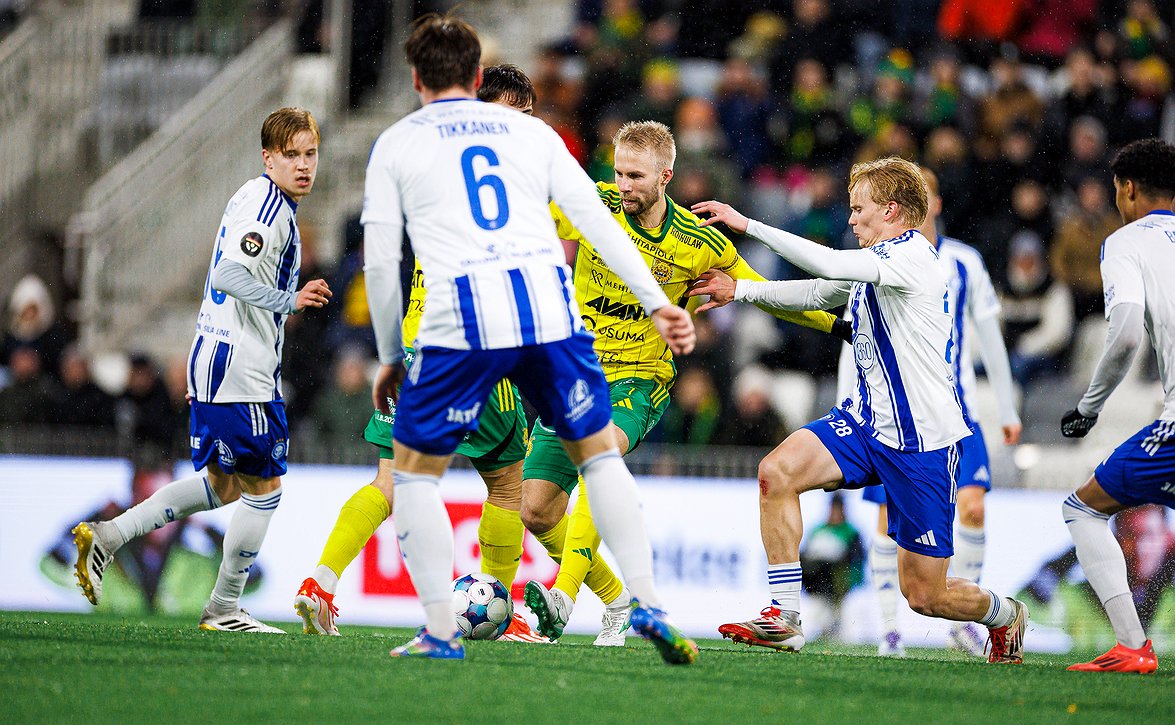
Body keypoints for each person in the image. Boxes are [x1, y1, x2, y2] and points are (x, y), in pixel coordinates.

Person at [363, 14, 697, 663]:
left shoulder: (401, 143)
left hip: (463, 322)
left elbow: (380, 262)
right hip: (548, 314)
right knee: (598, 457)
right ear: (474, 76)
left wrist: (386, 354)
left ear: (417, 79)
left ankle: (440, 630)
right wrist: (658, 302)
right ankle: (648, 603)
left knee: (415, 476)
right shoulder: (533, 134)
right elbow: (599, 224)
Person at [519, 119, 850, 645]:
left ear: (665, 176)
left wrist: (837, 326)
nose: (624, 185)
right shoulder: (592, 204)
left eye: (635, 176)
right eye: (619, 173)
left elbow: (765, 292)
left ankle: (562, 596)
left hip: (637, 380)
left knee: (599, 457)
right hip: (573, 373)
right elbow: (523, 211)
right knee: (536, 511)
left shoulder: (697, 242)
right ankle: (617, 600)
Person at [689, 156, 1028, 663]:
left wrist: (749, 225)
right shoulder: (874, 261)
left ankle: (1004, 614)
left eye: (858, 209)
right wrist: (740, 290)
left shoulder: (913, 257)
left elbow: (827, 265)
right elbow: (817, 291)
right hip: (866, 423)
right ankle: (785, 616)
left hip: (922, 443)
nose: (850, 219)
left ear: (890, 210)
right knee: (776, 472)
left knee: (926, 596)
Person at [293, 64, 553, 645]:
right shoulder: (507, 181)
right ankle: (501, 610)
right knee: (507, 483)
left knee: (390, 481)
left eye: (527, 114)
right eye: (513, 113)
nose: (522, 125)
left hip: (416, 349)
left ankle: (320, 582)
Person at [72, 107, 331, 633]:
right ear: (268, 158)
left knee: (223, 486)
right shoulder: (268, 209)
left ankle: (109, 536)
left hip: (217, 360)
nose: (304, 165)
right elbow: (229, 274)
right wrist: (289, 300)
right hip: (241, 368)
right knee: (266, 488)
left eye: (310, 154)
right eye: (291, 155)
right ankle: (224, 606)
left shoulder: (253, 196)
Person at [849, 166, 1022, 657]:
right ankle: (890, 632)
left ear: (936, 204)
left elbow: (989, 334)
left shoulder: (964, 262)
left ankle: (963, 619)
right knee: (887, 517)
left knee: (974, 507)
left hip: (956, 411)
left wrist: (1007, 406)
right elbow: (856, 338)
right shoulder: (874, 258)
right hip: (892, 413)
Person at [1058, 137, 1175, 674]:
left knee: (1082, 509)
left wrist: (1090, 406)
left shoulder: (1125, 242)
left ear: (1127, 189)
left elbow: (1126, 334)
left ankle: (1132, 646)